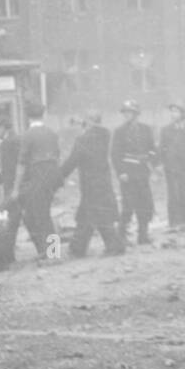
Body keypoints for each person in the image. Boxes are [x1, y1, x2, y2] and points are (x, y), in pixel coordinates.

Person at [58, 110, 124, 258]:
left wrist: (58, 176)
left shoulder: (83, 140)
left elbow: (72, 161)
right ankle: (79, 248)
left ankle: (111, 246)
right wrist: (85, 123)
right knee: (90, 216)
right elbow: (98, 130)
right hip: (103, 182)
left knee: (94, 216)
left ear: (88, 122)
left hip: (90, 185)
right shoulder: (104, 135)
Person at [10, 104, 61, 260]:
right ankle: (50, 251)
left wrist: (16, 189)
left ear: (28, 117)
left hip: (38, 175)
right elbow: (57, 155)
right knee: (43, 213)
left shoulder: (28, 135)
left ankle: (53, 254)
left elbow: (21, 164)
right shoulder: (51, 133)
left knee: (42, 215)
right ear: (42, 115)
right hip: (53, 175)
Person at [111, 100, 157, 245]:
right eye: (124, 112)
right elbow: (115, 154)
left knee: (145, 204)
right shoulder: (119, 131)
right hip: (128, 173)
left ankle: (143, 235)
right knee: (128, 205)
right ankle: (121, 235)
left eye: (129, 112)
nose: (126, 115)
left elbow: (153, 149)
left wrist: (151, 160)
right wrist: (121, 172)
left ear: (136, 114)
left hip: (142, 172)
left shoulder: (146, 129)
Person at [159, 104, 185, 230]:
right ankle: (173, 221)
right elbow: (161, 149)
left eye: (176, 112)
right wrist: (160, 164)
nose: (173, 114)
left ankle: (184, 220)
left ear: (182, 114)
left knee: (184, 192)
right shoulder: (165, 130)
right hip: (170, 166)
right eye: (172, 112)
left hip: (184, 165)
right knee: (172, 193)